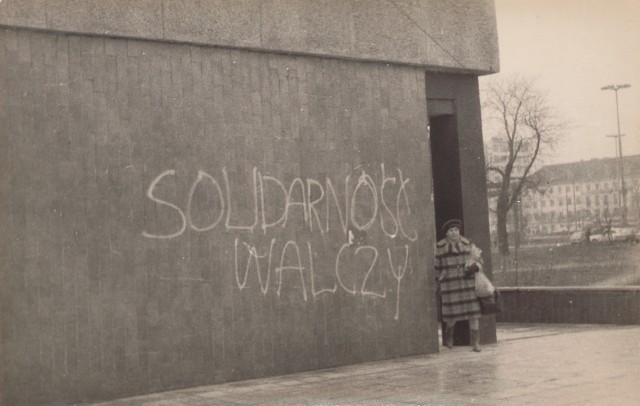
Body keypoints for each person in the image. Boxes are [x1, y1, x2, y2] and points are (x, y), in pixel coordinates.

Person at [435, 219, 482, 352]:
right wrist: (438, 281)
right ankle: (449, 337)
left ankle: (476, 343)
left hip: (468, 284)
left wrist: (475, 267)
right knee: (452, 317)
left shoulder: (469, 244)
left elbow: (479, 260)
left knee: (473, 316)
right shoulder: (440, 247)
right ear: (446, 233)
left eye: (456, 230)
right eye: (451, 231)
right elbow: (436, 267)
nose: (454, 233)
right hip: (450, 285)